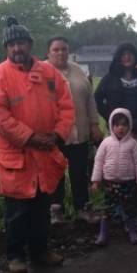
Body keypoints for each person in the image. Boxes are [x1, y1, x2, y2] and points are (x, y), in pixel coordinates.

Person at [0, 17, 75, 273]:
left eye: (20, 42)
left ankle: (40, 251)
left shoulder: (49, 74)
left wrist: (57, 135)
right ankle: (15, 255)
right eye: (11, 45)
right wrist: (30, 137)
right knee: (17, 211)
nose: (16, 49)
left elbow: (66, 106)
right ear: (6, 48)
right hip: (18, 156)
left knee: (42, 208)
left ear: (29, 44)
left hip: (45, 152)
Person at [45, 36, 103, 222]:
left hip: (80, 132)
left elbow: (90, 100)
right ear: (48, 52)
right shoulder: (41, 72)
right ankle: (56, 210)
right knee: (56, 173)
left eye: (64, 49)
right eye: (56, 49)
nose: (61, 53)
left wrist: (94, 124)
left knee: (79, 172)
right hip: (54, 134)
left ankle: (82, 208)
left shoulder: (78, 70)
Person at [94, 43, 137, 163]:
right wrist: (111, 117)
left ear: (135, 56)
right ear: (118, 58)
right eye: (123, 55)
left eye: (129, 54)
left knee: (136, 158)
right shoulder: (111, 78)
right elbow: (97, 98)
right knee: (117, 158)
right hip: (118, 126)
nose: (126, 57)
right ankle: (115, 181)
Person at [90, 108, 137, 245]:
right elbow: (99, 161)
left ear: (129, 126)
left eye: (124, 125)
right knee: (107, 209)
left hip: (128, 183)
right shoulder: (106, 143)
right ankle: (103, 234)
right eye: (117, 125)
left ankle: (132, 231)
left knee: (129, 208)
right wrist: (96, 180)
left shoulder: (133, 144)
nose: (120, 128)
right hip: (110, 183)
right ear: (111, 125)